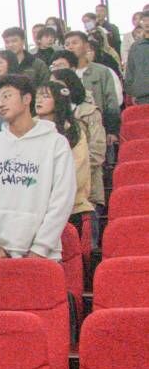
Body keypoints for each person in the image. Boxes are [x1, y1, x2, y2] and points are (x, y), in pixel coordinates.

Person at [0, 75, 76, 261]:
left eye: (7, 96)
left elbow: (62, 198)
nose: (1, 103)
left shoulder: (56, 143)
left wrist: (41, 248)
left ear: (27, 99)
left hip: (43, 256)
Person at [35, 81, 92, 234]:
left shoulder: (73, 131)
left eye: (45, 96)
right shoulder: (28, 128)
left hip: (71, 207)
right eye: (37, 96)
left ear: (59, 100)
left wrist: (50, 190)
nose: (39, 100)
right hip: (34, 208)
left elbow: (78, 169)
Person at [52, 68, 105, 215]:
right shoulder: (46, 117)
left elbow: (97, 151)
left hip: (87, 190)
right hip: (54, 195)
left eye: (57, 85)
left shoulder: (89, 112)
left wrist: (72, 175)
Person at [63, 30, 121, 144]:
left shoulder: (101, 71)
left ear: (86, 46)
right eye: (67, 44)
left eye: (74, 43)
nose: (70, 47)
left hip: (99, 128)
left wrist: (112, 130)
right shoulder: (62, 74)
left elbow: (111, 102)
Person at [124, 14, 149, 104]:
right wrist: (131, 92)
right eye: (144, 20)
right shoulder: (136, 46)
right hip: (142, 96)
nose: (147, 23)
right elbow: (130, 71)